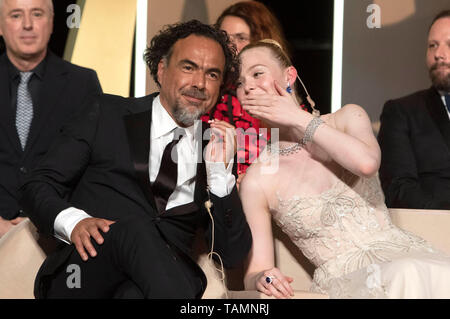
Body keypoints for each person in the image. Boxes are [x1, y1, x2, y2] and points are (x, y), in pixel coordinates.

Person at [20, 19, 252, 299]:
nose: (200, 83)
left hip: (157, 282)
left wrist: (219, 176)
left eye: (212, 74)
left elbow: (232, 254)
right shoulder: (105, 113)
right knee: (135, 227)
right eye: (188, 67)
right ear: (162, 69)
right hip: (85, 273)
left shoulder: (215, 146)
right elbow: (37, 185)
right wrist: (74, 223)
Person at [237, 39, 450, 298]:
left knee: (425, 272)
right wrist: (264, 277)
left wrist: (296, 117)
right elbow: (255, 271)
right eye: (238, 82)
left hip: (405, 253)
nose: (247, 85)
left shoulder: (348, 117)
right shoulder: (258, 179)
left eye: (257, 73)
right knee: (406, 274)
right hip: (347, 279)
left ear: (289, 76)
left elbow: (366, 164)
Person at [0, 0, 102, 237]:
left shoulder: (83, 83)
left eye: (37, 14)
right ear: (1, 26)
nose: (27, 25)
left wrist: (60, 221)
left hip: (57, 236)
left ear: (51, 21)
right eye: (16, 15)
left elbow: (96, 166)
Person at [201, 1, 297, 185]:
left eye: (241, 38)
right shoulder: (208, 100)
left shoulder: (290, 105)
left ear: (261, 40)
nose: (231, 46)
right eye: (224, 37)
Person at [378, 10, 450, 209]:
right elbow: (398, 190)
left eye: (449, 44)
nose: (438, 54)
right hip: (432, 231)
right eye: (432, 46)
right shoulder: (402, 112)